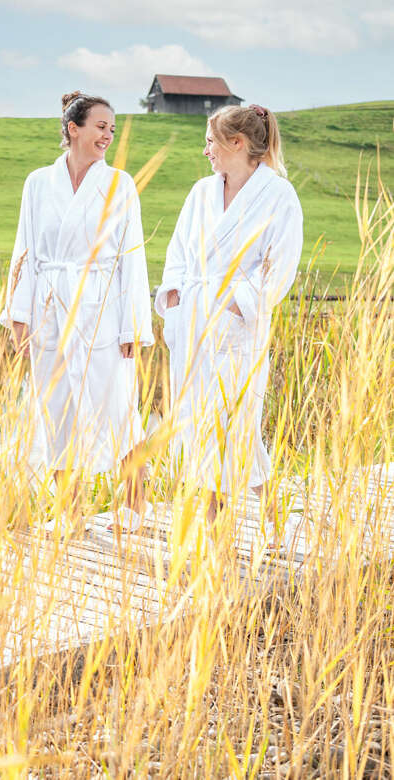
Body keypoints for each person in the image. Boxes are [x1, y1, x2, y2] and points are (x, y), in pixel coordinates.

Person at [0, 91, 154, 531]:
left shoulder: (119, 184)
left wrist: (133, 326)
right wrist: (19, 317)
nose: (109, 135)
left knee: (119, 406)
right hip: (50, 307)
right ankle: (69, 514)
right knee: (57, 409)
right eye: (101, 126)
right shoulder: (37, 183)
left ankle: (133, 506)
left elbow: (133, 256)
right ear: (74, 129)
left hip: (101, 310)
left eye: (111, 128)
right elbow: (24, 251)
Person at [154, 104, 303, 524]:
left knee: (236, 425)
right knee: (199, 423)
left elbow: (281, 263)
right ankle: (237, 526)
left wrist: (239, 302)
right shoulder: (201, 192)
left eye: (210, 142)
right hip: (195, 324)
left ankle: (247, 523)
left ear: (236, 143)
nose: (205, 152)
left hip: (238, 330)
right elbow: (178, 254)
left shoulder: (278, 195)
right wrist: (179, 301)